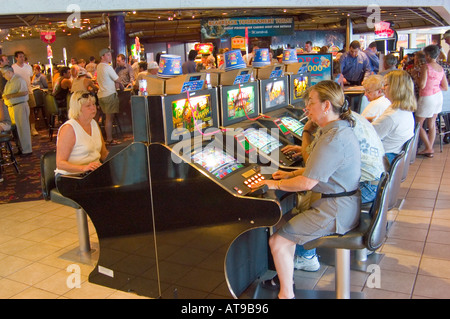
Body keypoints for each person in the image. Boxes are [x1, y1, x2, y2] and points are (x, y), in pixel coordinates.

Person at [252, 80, 361, 299]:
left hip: (336, 210)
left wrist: (273, 184)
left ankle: (286, 294)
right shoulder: (336, 130)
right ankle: (285, 282)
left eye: (311, 102)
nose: (306, 108)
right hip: (340, 203)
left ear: (326, 106)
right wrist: (289, 174)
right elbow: (317, 170)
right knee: (285, 225)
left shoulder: (333, 139)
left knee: (278, 240)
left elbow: (307, 183)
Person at [55, 91, 108, 176]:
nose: (93, 108)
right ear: (78, 108)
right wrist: (84, 168)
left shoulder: (94, 123)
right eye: (88, 106)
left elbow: (104, 153)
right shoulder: (69, 128)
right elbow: (60, 163)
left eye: (94, 104)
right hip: (71, 176)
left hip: (92, 173)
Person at [372, 70, 416, 164]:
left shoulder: (392, 116)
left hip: (384, 160)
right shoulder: (405, 110)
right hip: (393, 156)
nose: (383, 88)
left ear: (395, 88)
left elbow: (369, 136)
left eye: (386, 85)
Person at [415, 45, 448, 158]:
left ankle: (429, 148)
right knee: (432, 123)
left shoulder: (426, 67)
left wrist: (416, 77)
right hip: (438, 96)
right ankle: (429, 147)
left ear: (428, 55)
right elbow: (445, 87)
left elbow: (422, 85)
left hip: (427, 97)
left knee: (418, 124)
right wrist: (434, 87)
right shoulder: (440, 68)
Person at [1, 65, 33, 157]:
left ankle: (27, 150)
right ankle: (20, 148)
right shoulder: (9, 82)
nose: (3, 76)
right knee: (16, 130)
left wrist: (10, 96)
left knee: (23, 129)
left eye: (4, 74)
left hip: (20, 106)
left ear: (9, 72)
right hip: (12, 107)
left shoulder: (19, 80)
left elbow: (24, 92)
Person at [96, 48, 121, 145]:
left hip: (101, 95)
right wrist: (118, 83)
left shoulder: (99, 67)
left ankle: (105, 138)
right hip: (109, 94)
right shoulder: (107, 67)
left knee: (106, 118)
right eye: (107, 55)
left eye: (110, 54)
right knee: (109, 119)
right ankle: (109, 139)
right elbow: (117, 79)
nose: (110, 56)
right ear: (102, 57)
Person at [12, 51, 38, 136]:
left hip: (29, 91)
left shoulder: (28, 67)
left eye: (23, 56)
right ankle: (23, 130)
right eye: (20, 57)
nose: (22, 58)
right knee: (20, 112)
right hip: (18, 93)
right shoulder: (13, 68)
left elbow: (30, 78)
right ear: (16, 58)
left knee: (31, 110)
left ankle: (33, 128)